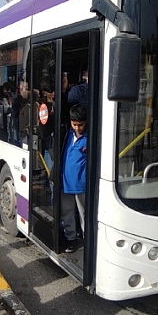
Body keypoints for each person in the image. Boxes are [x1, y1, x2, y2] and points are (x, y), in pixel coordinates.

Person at [61, 104, 88, 253]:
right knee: (67, 212)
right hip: (65, 182)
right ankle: (71, 238)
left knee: (84, 214)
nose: (78, 128)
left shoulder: (89, 137)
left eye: (81, 125)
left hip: (81, 184)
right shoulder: (66, 133)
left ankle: (86, 239)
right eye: (75, 124)